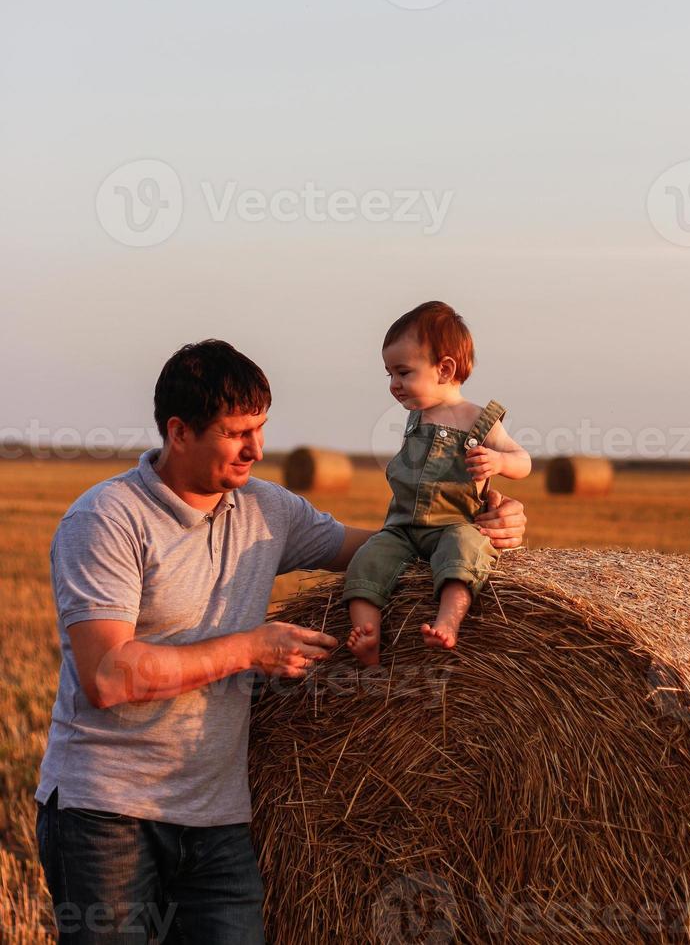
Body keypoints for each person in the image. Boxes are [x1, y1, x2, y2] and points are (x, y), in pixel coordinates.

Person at [34, 339, 527, 944]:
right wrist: (250, 650)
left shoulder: (267, 508)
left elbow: (383, 550)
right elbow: (109, 676)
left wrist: (474, 530)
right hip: (106, 815)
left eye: (261, 429)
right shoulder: (108, 519)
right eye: (238, 433)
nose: (258, 450)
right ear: (179, 431)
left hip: (218, 818)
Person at [344, 302, 532, 666]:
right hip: (402, 529)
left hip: (453, 525)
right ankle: (367, 635)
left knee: (464, 552)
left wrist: (500, 461)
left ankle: (449, 620)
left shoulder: (479, 419)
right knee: (368, 560)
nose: (395, 385)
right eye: (389, 375)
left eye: (403, 373)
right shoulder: (416, 417)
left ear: (444, 369)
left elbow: (522, 460)